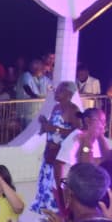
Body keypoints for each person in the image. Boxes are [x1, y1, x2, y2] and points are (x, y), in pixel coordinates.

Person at [30, 81, 79, 214]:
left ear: (69, 94)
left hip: (61, 153)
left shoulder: (73, 110)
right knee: (46, 181)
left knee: (56, 183)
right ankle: (47, 212)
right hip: (50, 150)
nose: (56, 92)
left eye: (60, 90)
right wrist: (45, 125)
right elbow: (51, 129)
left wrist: (54, 129)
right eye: (57, 90)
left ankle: (58, 212)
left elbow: (77, 132)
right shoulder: (56, 107)